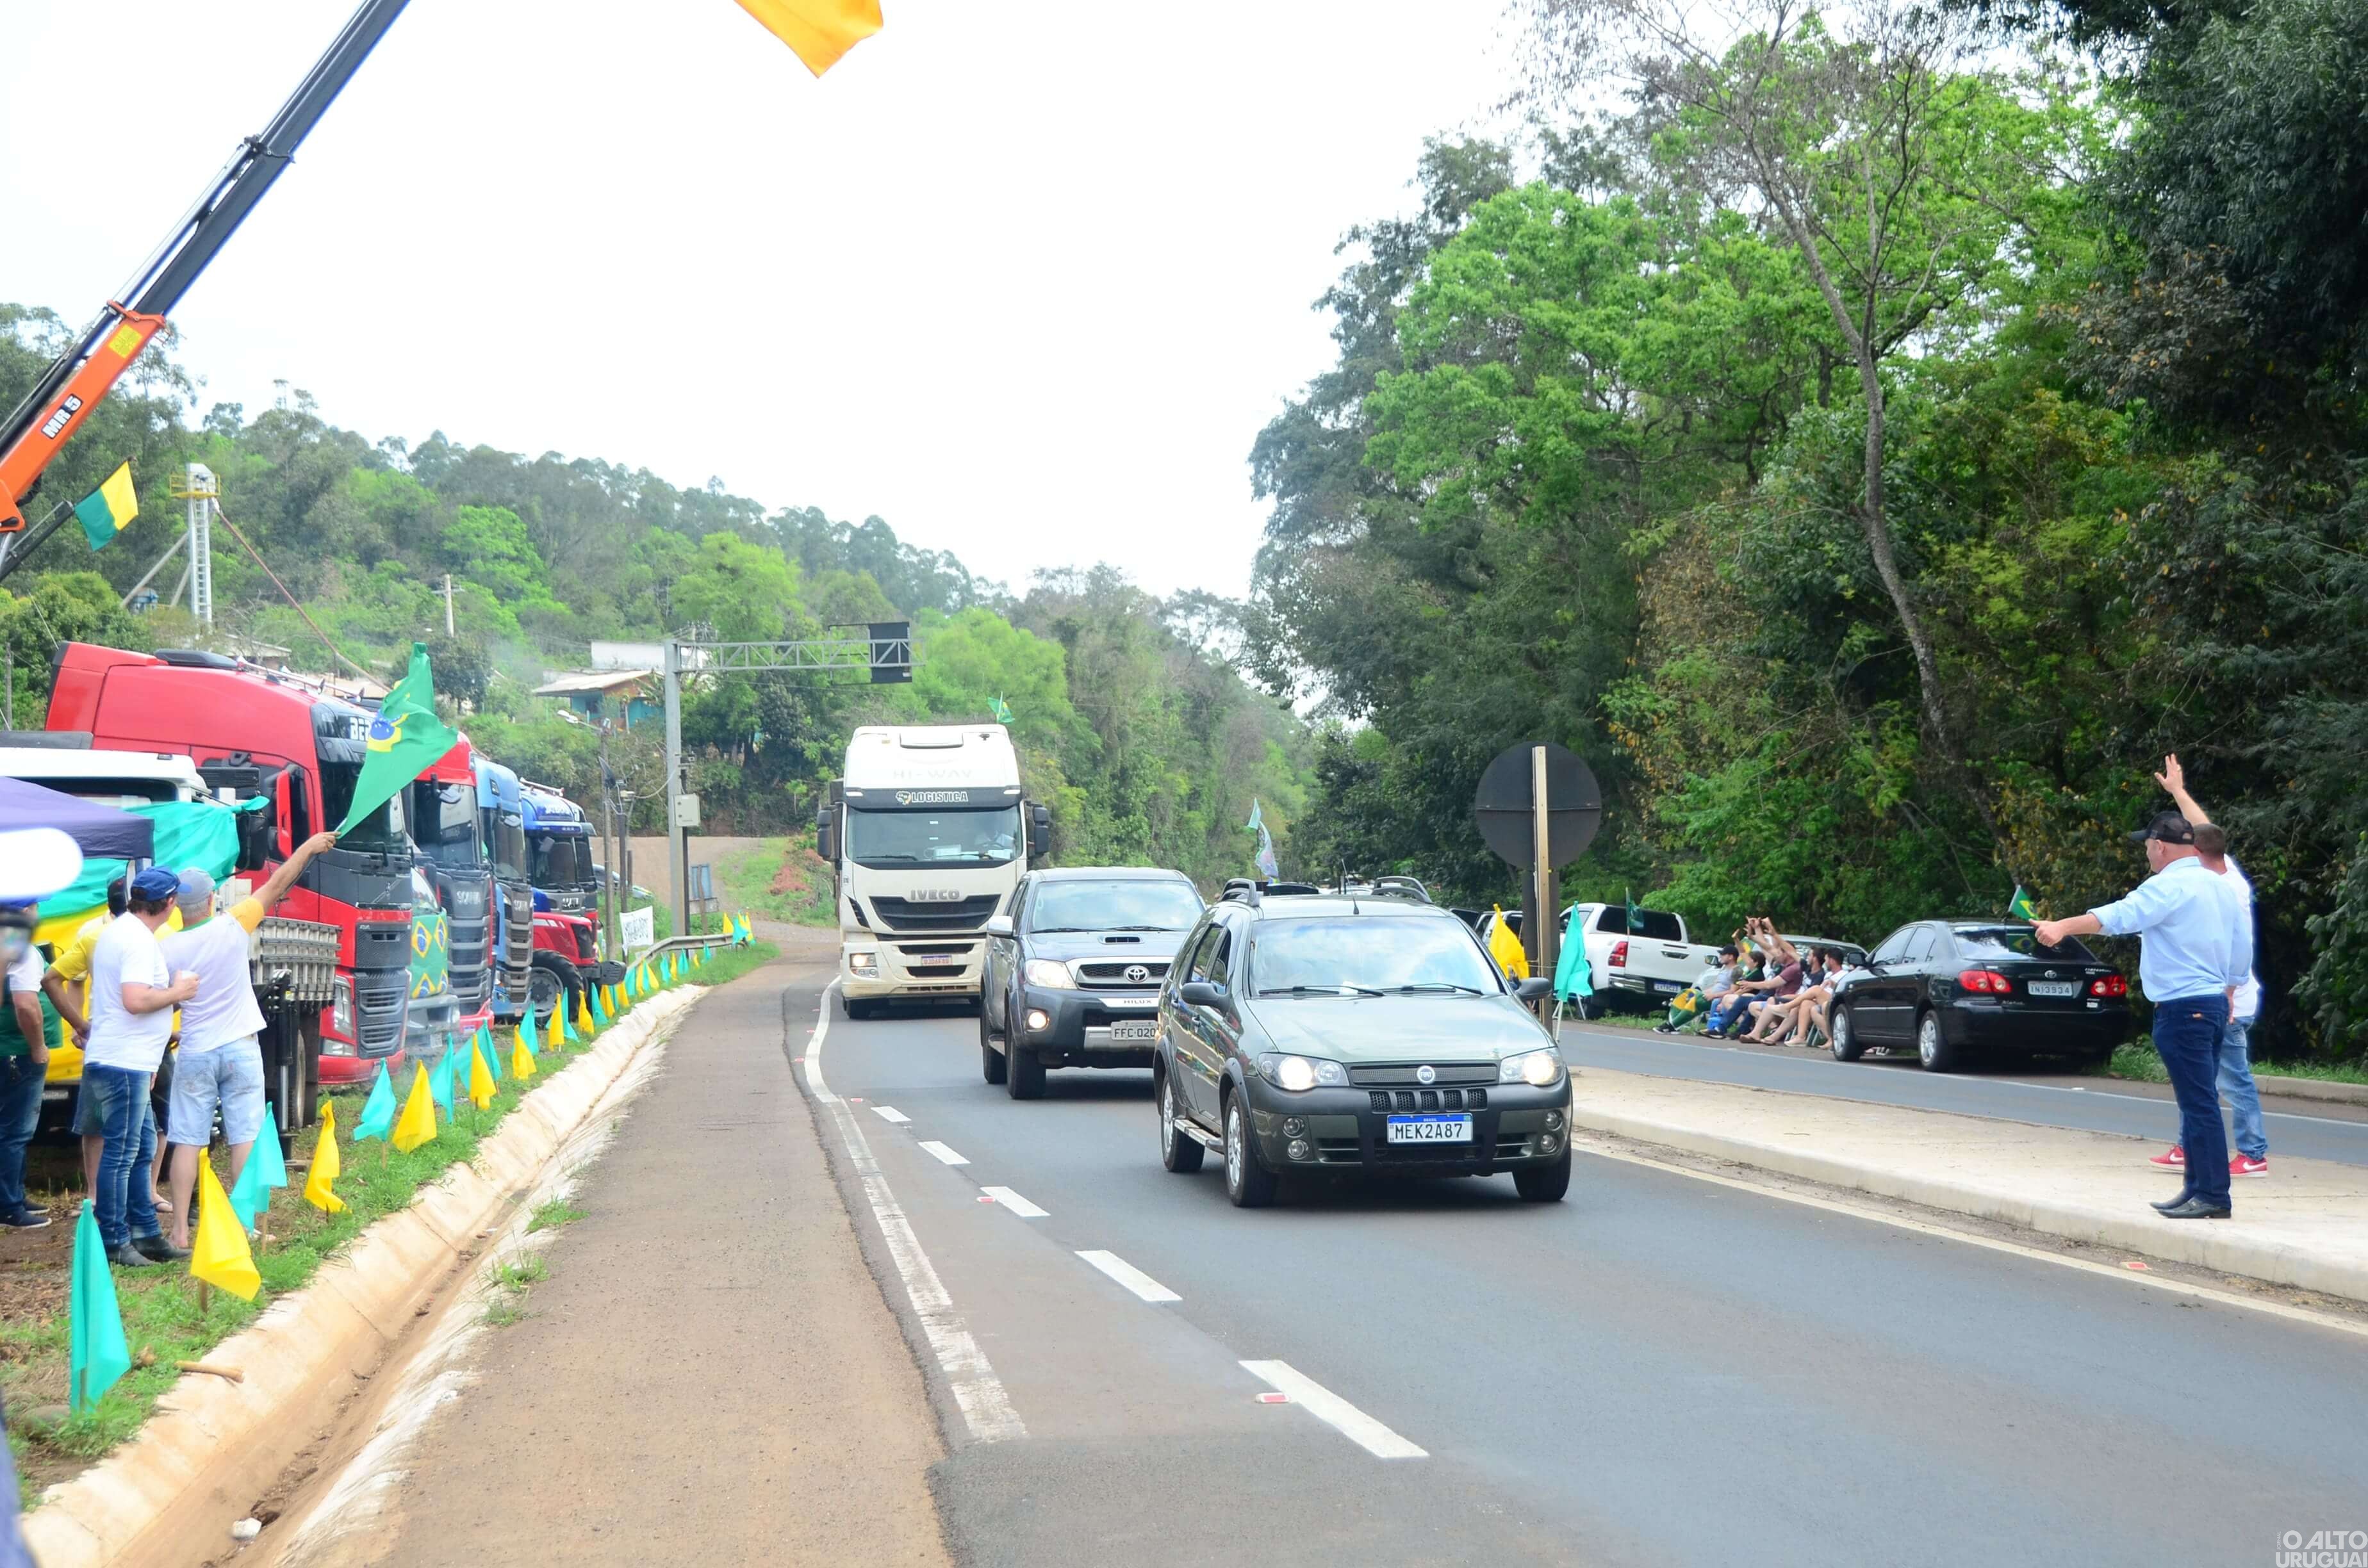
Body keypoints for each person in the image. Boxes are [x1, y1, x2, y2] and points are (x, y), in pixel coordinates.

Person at [2035, 811, 2248, 1220]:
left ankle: (2213, 1196)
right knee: (2196, 1100)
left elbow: (2117, 916)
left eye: (2147, 844)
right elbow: (2242, 948)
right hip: (2212, 1004)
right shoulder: (2220, 887)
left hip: (2184, 1009)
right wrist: (2230, 989)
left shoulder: (2168, 886)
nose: (2146, 851)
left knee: (2198, 1102)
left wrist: (2062, 926)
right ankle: (2196, 1188)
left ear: (2161, 846)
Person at [161, 835, 338, 1246]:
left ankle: (180, 1231)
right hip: (240, 1049)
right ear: (210, 902)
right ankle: (244, 1227)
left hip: (196, 1049)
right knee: (244, 1137)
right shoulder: (232, 924)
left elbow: (161, 1004)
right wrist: (309, 848)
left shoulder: (167, 948)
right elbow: (278, 884)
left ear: (175, 907)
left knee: (187, 1140)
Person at [2147, 756, 2269, 1180]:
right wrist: (2178, 792)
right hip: (2221, 995)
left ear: (2196, 854)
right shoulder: (2225, 872)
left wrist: (2232, 992)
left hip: (2227, 999)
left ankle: (2253, 1152)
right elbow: (2205, 830)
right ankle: (2187, 1146)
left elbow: (2243, 949)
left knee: (2231, 1078)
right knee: (2199, 1077)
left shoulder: (2224, 888)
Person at [81, 867, 200, 1267]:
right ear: (169, 903)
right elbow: (135, 1000)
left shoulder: (124, 931)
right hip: (123, 1060)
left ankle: (146, 1233)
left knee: (143, 1145)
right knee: (123, 1150)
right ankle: (115, 1239)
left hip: (128, 1058)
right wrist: (178, 992)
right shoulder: (136, 940)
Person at [1, 903, 54, 1230]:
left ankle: (14, 1195)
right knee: (15, 1130)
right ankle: (9, 1204)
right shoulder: (16, 944)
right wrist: (38, 1047)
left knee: (10, 1129)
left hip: (10, 1050)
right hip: (18, 1052)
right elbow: (26, 1004)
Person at [1657, 944, 1739, 1033]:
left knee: (1696, 1001)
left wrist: (1713, 996)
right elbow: (1715, 987)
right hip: (1710, 995)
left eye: (1723, 955)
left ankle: (1672, 1026)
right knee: (1684, 994)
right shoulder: (1724, 969)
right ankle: (1675, 1025)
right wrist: (1702, 992)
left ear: (1731, 957)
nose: (1721, 957)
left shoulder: (1736, 971)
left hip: (1718, 999)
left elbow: (1733, 991)